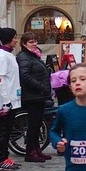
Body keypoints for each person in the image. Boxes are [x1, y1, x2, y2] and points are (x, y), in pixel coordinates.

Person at [16, 31, 53, 163]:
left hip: (38, 96)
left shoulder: (34, 56)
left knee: (37, 125)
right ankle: (30, 152)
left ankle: (36, 150)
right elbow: (25, 76)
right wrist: (40, 87)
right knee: (33, 125)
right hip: (32, 95)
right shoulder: (24, 56)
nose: (34, 44)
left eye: (35, 41)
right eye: (31, 42)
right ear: (24, 43)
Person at [0, 26, 22, 170]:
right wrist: (6, 101)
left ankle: (4, 156)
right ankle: (1, 159)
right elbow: (0, 79)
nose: (16, 40)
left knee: (8, 129)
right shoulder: (2, 56)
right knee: (4, 130)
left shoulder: (8, 54)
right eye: (15, 37)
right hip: (6, 100)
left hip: (11, 98)